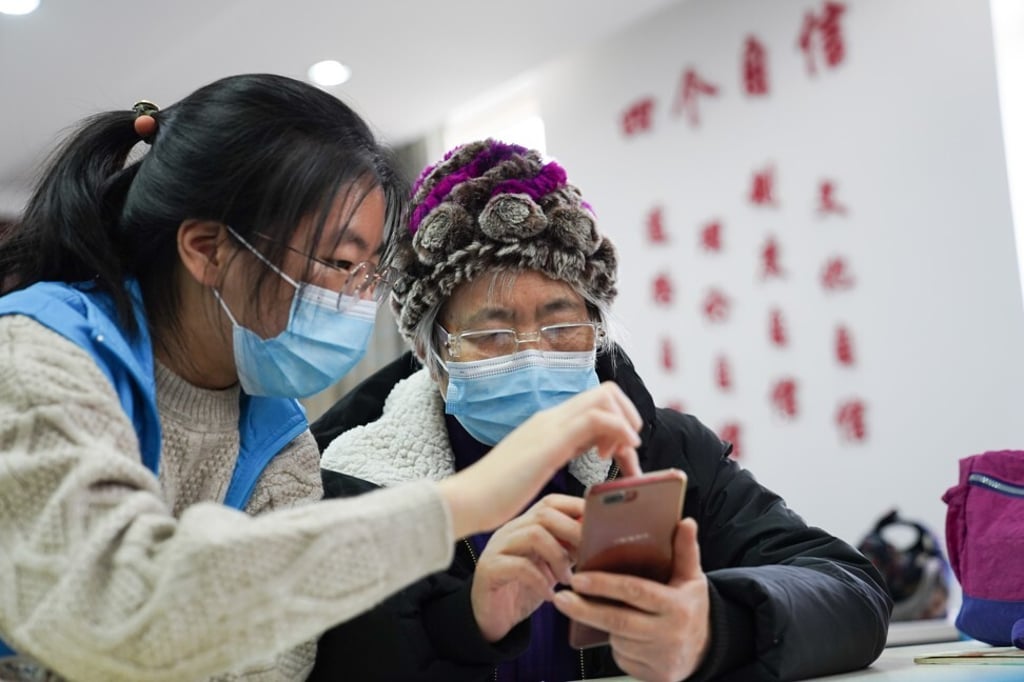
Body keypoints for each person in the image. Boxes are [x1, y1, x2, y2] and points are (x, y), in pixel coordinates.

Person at [0, 79, 643, 682]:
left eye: (369, 271)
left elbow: (268, 666)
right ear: (206, 249)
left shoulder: (281, 439)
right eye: (339, 262)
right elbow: (116, 605)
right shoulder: (36, 360)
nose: (357, 299)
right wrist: (464, 503)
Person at [312, 139, 892, 682]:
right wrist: (467, 622)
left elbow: (849, 590)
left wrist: (714, 625)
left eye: (562, 325)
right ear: (432, 354)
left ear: (598, 332)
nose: (534, 352)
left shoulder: (665, 454)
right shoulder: (353, 483)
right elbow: (317, 661)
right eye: (492, 333)